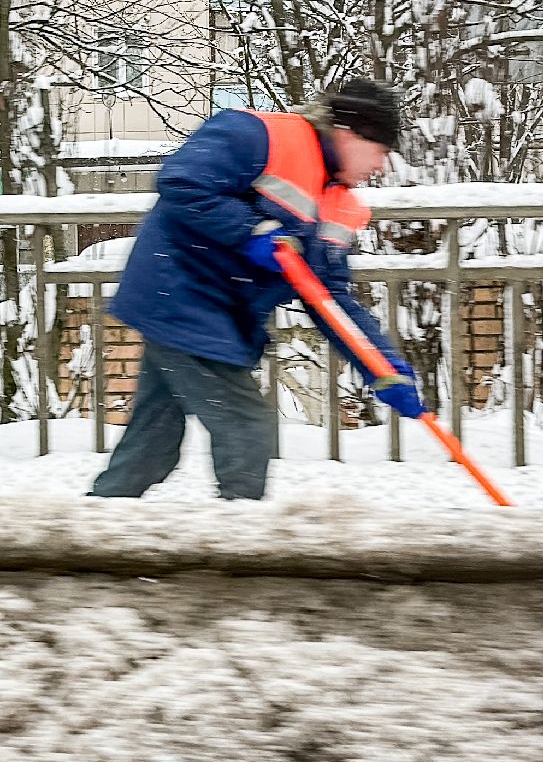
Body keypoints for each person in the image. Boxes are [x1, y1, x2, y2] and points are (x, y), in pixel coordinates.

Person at [90, 78, 425, 500]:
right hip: (181, 296)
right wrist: (251, 231)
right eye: (381, 151)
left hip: (219, 314)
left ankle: (86, 542)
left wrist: (383, 367)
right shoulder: (259, 136)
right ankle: (242, 549)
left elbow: (333, 301)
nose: (382, 166)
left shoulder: (336, 206)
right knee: (247, 427)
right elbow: (182, 181)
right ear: (349, 133)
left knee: (151, 446)